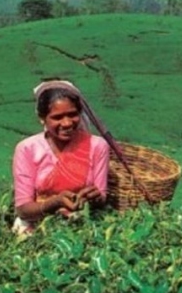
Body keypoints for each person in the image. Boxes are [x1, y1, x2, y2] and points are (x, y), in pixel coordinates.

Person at [11, 80, 110, 234]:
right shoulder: (27, 149)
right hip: (37, 229)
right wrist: (54, 203)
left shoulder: (97, 146)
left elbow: (102, 197)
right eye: (57, 117)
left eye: (72, 114)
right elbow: (23, 210)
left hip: (83, 226)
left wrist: (95, 198)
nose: (67, 123)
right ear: (42, 118)